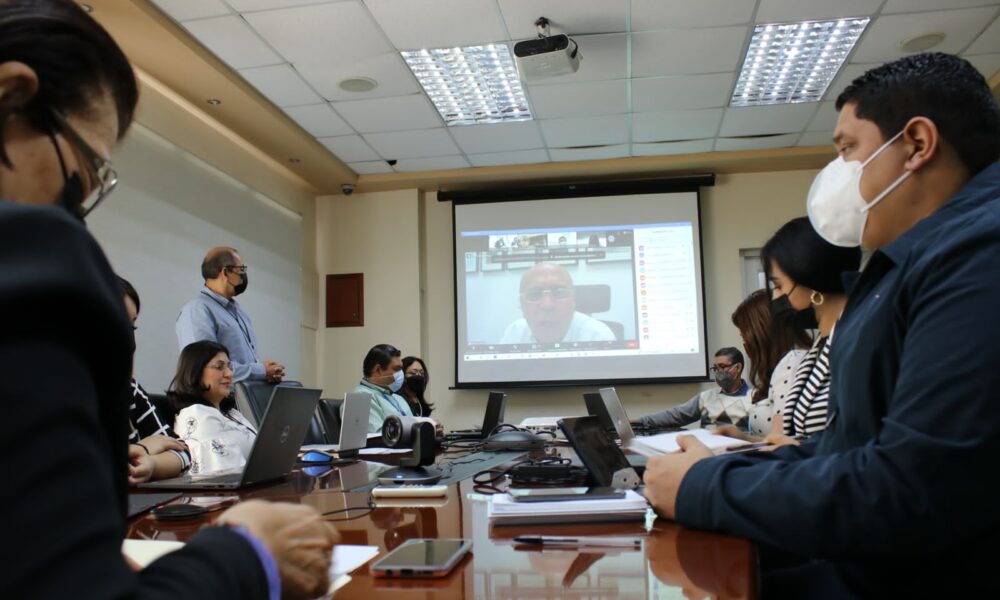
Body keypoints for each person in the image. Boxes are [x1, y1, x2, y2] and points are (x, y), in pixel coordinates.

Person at [0, 3, 336, 597]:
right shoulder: (39, 254)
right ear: (10, 97)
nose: (77, 214)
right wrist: (250, 555)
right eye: (83, 175)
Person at [642, 53, 1000, 597]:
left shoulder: (979, 256)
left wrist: (704, 488)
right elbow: (851, 447)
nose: (839, 171)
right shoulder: (913, 263)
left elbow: (916, 490)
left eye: (847, 149)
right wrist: (721, 475)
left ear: (917, 144)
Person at [764, 217, 859, 442]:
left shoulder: (857, 342)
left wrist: (792, 451)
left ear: (810, 278)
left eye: (778, 286)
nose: (775, 296)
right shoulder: (821, 344)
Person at [176, 246, 285, 383]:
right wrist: (261, 371)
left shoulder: (239, 313)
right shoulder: (197, 311)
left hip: (244, 394)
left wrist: (266, 372)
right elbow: (204, 366)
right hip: (220, 396)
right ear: (225, 272)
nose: (243, 276)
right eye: (241, 270)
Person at [119, 275, 191, 483]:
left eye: (132, 327)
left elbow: (183, 452)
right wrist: (144, 447)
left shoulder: (130, 389)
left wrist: (151, 465)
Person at [162, 341, 260, 474]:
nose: (229, 374)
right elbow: (223, 476)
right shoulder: (197, 415)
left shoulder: (231, 413)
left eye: (229, 367)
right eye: (219, 367)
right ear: (195, 372)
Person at [725, 289, 811, 439]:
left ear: (760, 334)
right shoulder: (796, 360)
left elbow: (780, 441)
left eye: (744, 336)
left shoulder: (791, 362)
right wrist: (743, 438)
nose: (745, 344)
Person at [637, 348, 755, 431]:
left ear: (738, 368)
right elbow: (676, 415)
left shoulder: (755, 397)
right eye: (715, 368)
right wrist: (639, 422)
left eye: (723, 367)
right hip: (707, 450)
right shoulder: (706, 397)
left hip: (740, 451)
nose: (718, 372)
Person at [499, 262, 616, 344]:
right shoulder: (515, 333)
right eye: (534, 294)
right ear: (522, 305)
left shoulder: (598, 337)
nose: (547, 305)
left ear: (573, 301)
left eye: (560, 293)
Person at [352, 344, 413, 433]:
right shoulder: (359, 397)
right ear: (378, 370)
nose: (401, 374)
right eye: (397, 369)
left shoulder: (399, 399)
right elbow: (377, 436)